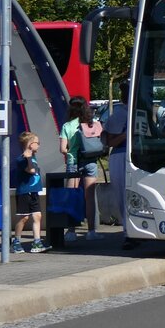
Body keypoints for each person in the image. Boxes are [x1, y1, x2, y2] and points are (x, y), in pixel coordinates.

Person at [60, 96, 103, 242]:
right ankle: (91, 231)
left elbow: (62, 149)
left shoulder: (67, 126)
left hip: (73, 162)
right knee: (89, 197)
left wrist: (72, 150)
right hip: (90, 161)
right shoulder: (92, 124)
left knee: (72, 196)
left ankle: (71, 231)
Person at [103, 82, 140, 250]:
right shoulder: (119, 114)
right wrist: (127, 134)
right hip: (120, 155)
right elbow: (110, 141)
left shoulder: (139, 111)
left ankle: (137, 230)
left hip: (137, 155)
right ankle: (127, 232)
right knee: (123, 194)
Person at [12, 132, 50, 254]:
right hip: (24, 192)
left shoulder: (33, 157)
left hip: (33, 192)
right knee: (24, 217)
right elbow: (32, 170)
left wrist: (31, 157)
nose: (39, 145)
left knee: (37, 215)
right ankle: (16, 242)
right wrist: (28, 158)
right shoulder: (21, 159)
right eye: (37, 143)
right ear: (30, 144)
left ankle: (37, 242)